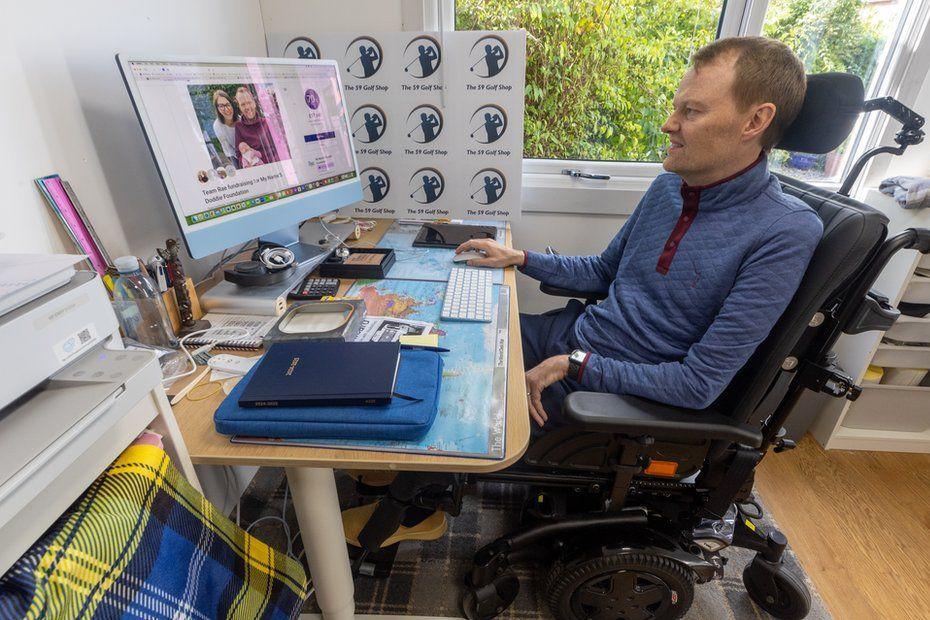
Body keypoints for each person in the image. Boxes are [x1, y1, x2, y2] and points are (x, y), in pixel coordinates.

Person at [455, 36, 823, 430]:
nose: (669, 125)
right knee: (451, 343)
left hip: (609, 392)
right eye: (675, 108)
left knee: (462, 420)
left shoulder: (785, 231)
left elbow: (697, 385)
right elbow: (603, 270)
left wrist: (574, 365)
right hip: (572, 336)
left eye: (692, 111)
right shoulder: (668, 187)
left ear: (755, 121)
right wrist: (521, 258)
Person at [233, 87, 281, 165]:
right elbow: (239, 154)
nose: (247, 107)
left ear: (254, 103)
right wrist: (245, 163)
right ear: (240, 107)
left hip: (273, 166)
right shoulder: (239, 127)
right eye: (243, 104)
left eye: (249, 102)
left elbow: (277, 149)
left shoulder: (267, 122)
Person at [211, 90, 239, 168]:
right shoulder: (217, 125)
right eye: (221, 106)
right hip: (234, 156)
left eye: (227, 104)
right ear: (217, 109)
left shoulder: (239, 120)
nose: (226, 109)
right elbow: (229, 149)